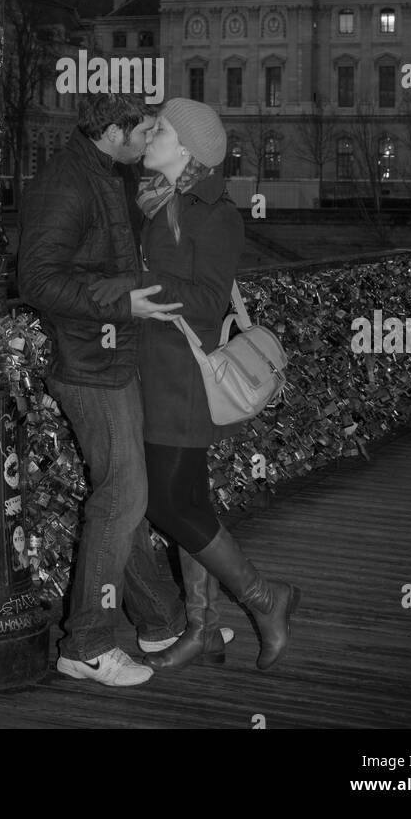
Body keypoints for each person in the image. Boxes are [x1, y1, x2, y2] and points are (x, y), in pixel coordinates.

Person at [17, 92, 188, 687]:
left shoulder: (101, 172)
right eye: (141, 132)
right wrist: (123, 299)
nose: (147, 140)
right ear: (114, 132)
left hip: (110, 355)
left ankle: (162, 621)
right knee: (121, 498)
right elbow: (37, 280)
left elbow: (100, 258)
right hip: (89, 364)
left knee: (126, 497)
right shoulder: (68, 183)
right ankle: (86, 643)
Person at [125, 98, 300, 671]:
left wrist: (145, 290)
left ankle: (267, 600)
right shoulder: (158, 202)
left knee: (169, 504)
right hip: (156, 372)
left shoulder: (216, 214)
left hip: (185, 381)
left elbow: (207, 299)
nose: (151, 134)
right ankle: (204, 627)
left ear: (188, 150)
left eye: (163, 129)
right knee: (191, 502)